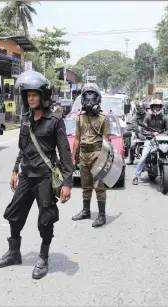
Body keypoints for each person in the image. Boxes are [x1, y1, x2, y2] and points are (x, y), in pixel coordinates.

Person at [0, 70, 73, 280]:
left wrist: (67, 183)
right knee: (14, 213)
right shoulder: (26, 119)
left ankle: (44, 257)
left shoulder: (55, 121)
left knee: (46, 218)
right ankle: (14, 252)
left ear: (43, 96)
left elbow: (65, 153)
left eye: (34, 95)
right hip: (27, 175)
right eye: (28, 95)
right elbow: (23, 147)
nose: (31, 98)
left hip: (45, 177)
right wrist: (14, 170)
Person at [71, 83, 111, 227]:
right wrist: (73, 156)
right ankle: (86, 210)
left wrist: (105, 160)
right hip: (83, 154)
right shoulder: (79, 118)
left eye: (92, 98)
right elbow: (77, 137)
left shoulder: (103, 118)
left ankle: (101, 215)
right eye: (86, 98)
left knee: (99, 186)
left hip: (97, 154)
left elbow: (107, 141)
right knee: (85, 185)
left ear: (97, 99)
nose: (89, 101)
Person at [132, 98, 168, 185]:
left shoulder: (164, 117)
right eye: (154, 107)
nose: (156, 109)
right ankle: (136, 176)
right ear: (152, 107)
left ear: (161, 107)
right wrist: (152, 133)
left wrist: (162, 134)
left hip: (162, 141)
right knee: (143, 157)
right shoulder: (148, 117)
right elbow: (142, 130)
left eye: (158, 107)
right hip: (150, 140)